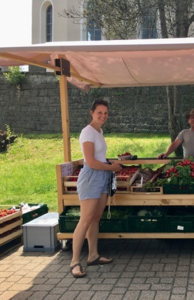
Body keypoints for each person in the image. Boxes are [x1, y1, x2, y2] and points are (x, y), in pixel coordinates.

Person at [70, 99, 122, 278]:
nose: (103, 116)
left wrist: (109, 163)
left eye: (106, 113)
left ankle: (93, 255)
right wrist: (112, 168)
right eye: (100, 112)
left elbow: (98, 157)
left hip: (102, 176)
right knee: (85, 219)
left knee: (95, 218)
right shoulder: (87, 132)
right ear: (91, 112)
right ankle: (75, 262)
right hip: (91, 177)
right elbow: (90, 162)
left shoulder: (99, 131)